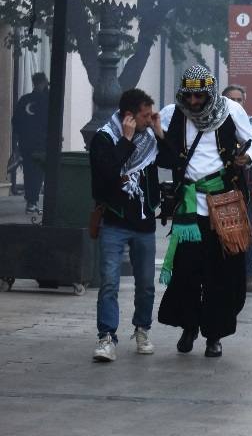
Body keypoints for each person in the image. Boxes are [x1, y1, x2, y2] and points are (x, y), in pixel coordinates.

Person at [156, 65, 252, 358]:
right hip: (190, 206)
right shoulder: (172, 112)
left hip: (224, 203)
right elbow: (157, 140)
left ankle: (214, 335)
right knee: (187, 272)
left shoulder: (231, 110)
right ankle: (188, 327)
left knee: (223, 274)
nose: (193, 103)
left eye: (199, 96)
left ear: (210, 92)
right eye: (189, 96)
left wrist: (247, 157)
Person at [88, 88, 163, 363]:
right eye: (145, 116)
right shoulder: (105, 138)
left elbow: (172, 160)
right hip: (114, 221)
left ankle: (142, 329)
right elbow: (105, 177)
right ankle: (106, 337)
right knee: (109, 282)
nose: (148, 120)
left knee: (146, 284)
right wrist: (127, 140)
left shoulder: (151, 139)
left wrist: (159, 131)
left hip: (143, 223)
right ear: (129, 117)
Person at [222, 85, 252, 294]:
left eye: (239, 100)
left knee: (246, 233)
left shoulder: (251, 122)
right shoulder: (215, 122)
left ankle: (247, 273)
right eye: (231, 99)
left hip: (245, 188)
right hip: (220, 187)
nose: (235, 103)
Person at [11, 71, 49, 213]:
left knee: (28, 171)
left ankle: (30, 201)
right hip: (42, 143)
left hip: (26, 142)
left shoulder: (24, 99)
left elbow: (16, 122)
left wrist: (17, 142)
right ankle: (33, 201)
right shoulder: (47, 100)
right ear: (44, 83)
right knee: (39, 172)